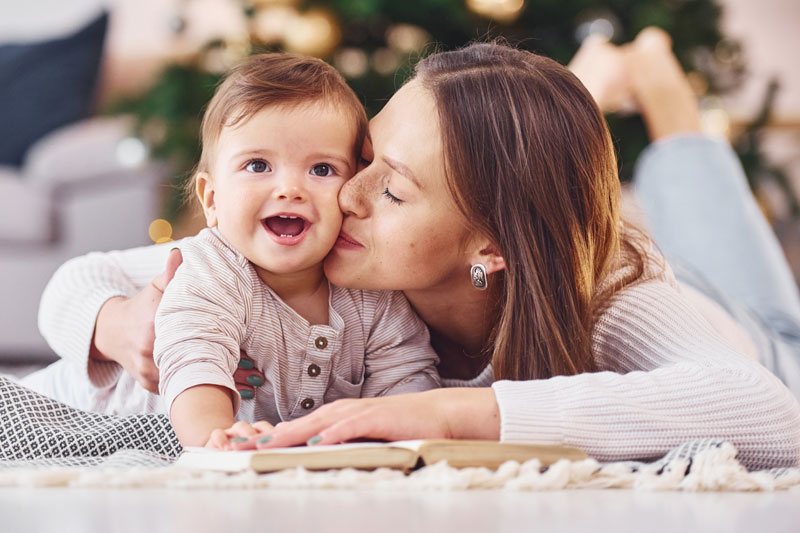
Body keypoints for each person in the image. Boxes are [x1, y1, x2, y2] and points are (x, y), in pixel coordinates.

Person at [35, 29, 800, 469]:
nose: (347, 195)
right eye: (362, 157)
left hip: (763, 336)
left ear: (491, 246)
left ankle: (662, 86)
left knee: (760, 285)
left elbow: (769, 412)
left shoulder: (612, 287)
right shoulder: (329, 248)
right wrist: (115, 321)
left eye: (393, 189)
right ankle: (579, 87)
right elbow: (88, 278)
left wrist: (449, 411)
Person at [25, 53, 440, 449]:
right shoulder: (212, 270)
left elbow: (406, 379)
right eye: (258, 165)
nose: (289, 189)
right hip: (64, 412)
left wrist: (387, 438)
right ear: (212, 199)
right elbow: (195, 362)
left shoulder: (369, 292)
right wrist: (216, 438)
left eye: (321, 169)